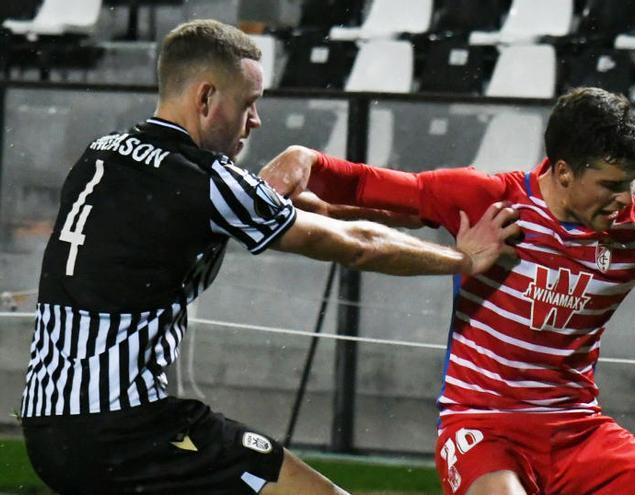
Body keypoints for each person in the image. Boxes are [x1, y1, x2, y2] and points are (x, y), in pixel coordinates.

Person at [260, 87, 635, 495]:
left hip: (579, 432)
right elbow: (374, 185)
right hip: (484, 428)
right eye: (611, 184)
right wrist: (304, 160)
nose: (626, 201)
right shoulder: (489, 199)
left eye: (632, 184)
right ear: (561, 172)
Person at [17, 19, 520, 495]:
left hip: (47, 427)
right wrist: (462, 261)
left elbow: (308, 212)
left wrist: (412, 215)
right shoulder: (207, 180)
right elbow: (356, 246)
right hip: (127, 430)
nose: (256, 121)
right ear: (207, 98)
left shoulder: (103, 152)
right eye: (249, 104)